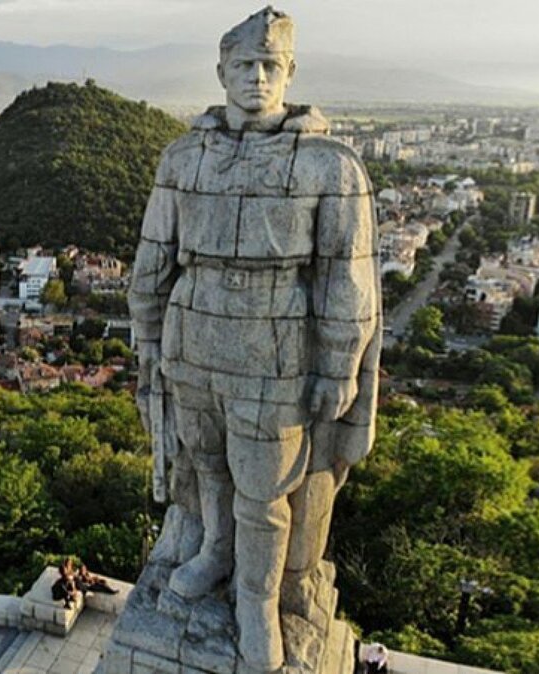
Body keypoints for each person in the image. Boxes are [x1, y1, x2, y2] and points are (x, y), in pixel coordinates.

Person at [129, 7, 381, 672]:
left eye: (270, 66)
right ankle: (213, 551)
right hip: (192, 331)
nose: (256, 77)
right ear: (221, 73)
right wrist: (148, 340)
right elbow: (154, 258)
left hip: (277, 345)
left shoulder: (328, 165)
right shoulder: (184, 156)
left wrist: (338, 366)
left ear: (290, 73)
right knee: (204, 462)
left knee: (266, 490)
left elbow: (345, 277)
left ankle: (256, 601)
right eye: (243, 65)